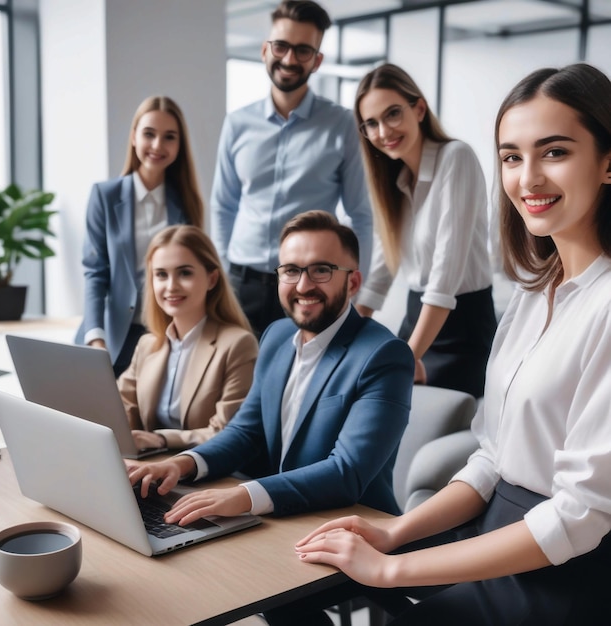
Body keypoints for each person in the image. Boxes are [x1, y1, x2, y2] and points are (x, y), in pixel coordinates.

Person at [278, 63, 611, 625]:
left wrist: (388, 569)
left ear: (607, 161)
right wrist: (393, 533)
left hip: (562, 578)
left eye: (554, 152)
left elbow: (579, 516)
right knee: (302, 584)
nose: (527, 178)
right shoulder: (533, 295)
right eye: (511, 156)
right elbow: (491, 459)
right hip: (500, 537)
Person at [128, 210, 414, 525]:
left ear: (353, 282)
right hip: (285, 519)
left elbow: (346, 472)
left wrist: (243, 495)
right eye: (291, 270)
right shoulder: (277, 336)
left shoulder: (385, 355)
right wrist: (181, 464)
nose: (304, 285)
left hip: (356, 529)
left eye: (321, 270)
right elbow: (245, 432)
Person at [210, 0, 373, 337]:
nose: (288, 59)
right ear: (265, 49)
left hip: (309, 284)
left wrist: (356, 286)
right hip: (243, 282)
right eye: (281, 46)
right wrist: (225, 273)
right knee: (241, 380)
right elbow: (223, 205)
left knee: (302, 382)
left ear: (317, 60)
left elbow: (360, 214)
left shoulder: (342, 124)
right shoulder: (237, 124)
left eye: (303, 50)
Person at [354, 64, 497, 398]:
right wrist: (345, 335)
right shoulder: (397, 181)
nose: (383, 131)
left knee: (431, 420)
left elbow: (445, 276)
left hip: (461, 328)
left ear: (419, 109)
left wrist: (409, 355)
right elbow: (380, 270)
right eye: (371, 123)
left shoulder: (456, 158)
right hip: (416, 319)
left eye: (392, 114)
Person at [75, 96, 204, 377]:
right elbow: (95, 273)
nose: (158, 145)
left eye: (169, 137)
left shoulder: (187, 203)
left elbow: (193, 276)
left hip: (165, 336)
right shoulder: (104, 196)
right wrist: (95, 337)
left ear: (179, 146)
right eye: (149, 134)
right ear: (134, 137)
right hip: (112, 337)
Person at [116, 225, 258, 451]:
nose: (171, 286)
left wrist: (162, 439)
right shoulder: (147, 345)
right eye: (161, 274)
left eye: (185, 273)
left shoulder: (238, 344)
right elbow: (118, 410)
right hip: (150, 467)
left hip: (207, 473)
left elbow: (229, 432)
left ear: (212, 279)